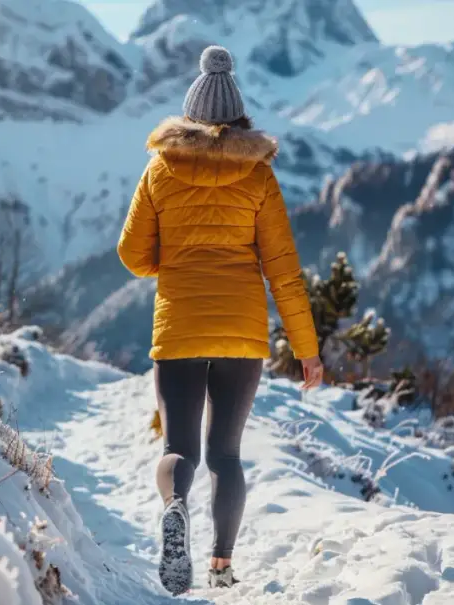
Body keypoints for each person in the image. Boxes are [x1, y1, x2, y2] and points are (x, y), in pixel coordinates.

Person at [116, 44, 324, 595]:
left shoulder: (160, 168)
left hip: (179, 324)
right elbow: (283, 270)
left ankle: (174, 508)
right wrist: (307, 349)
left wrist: (174, 260)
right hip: (242, 330)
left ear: (189, 114)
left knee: (178, 448)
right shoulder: (259, 176)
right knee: (226, 454)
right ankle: (221, 564)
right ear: (238, 117)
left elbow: (132, 254)